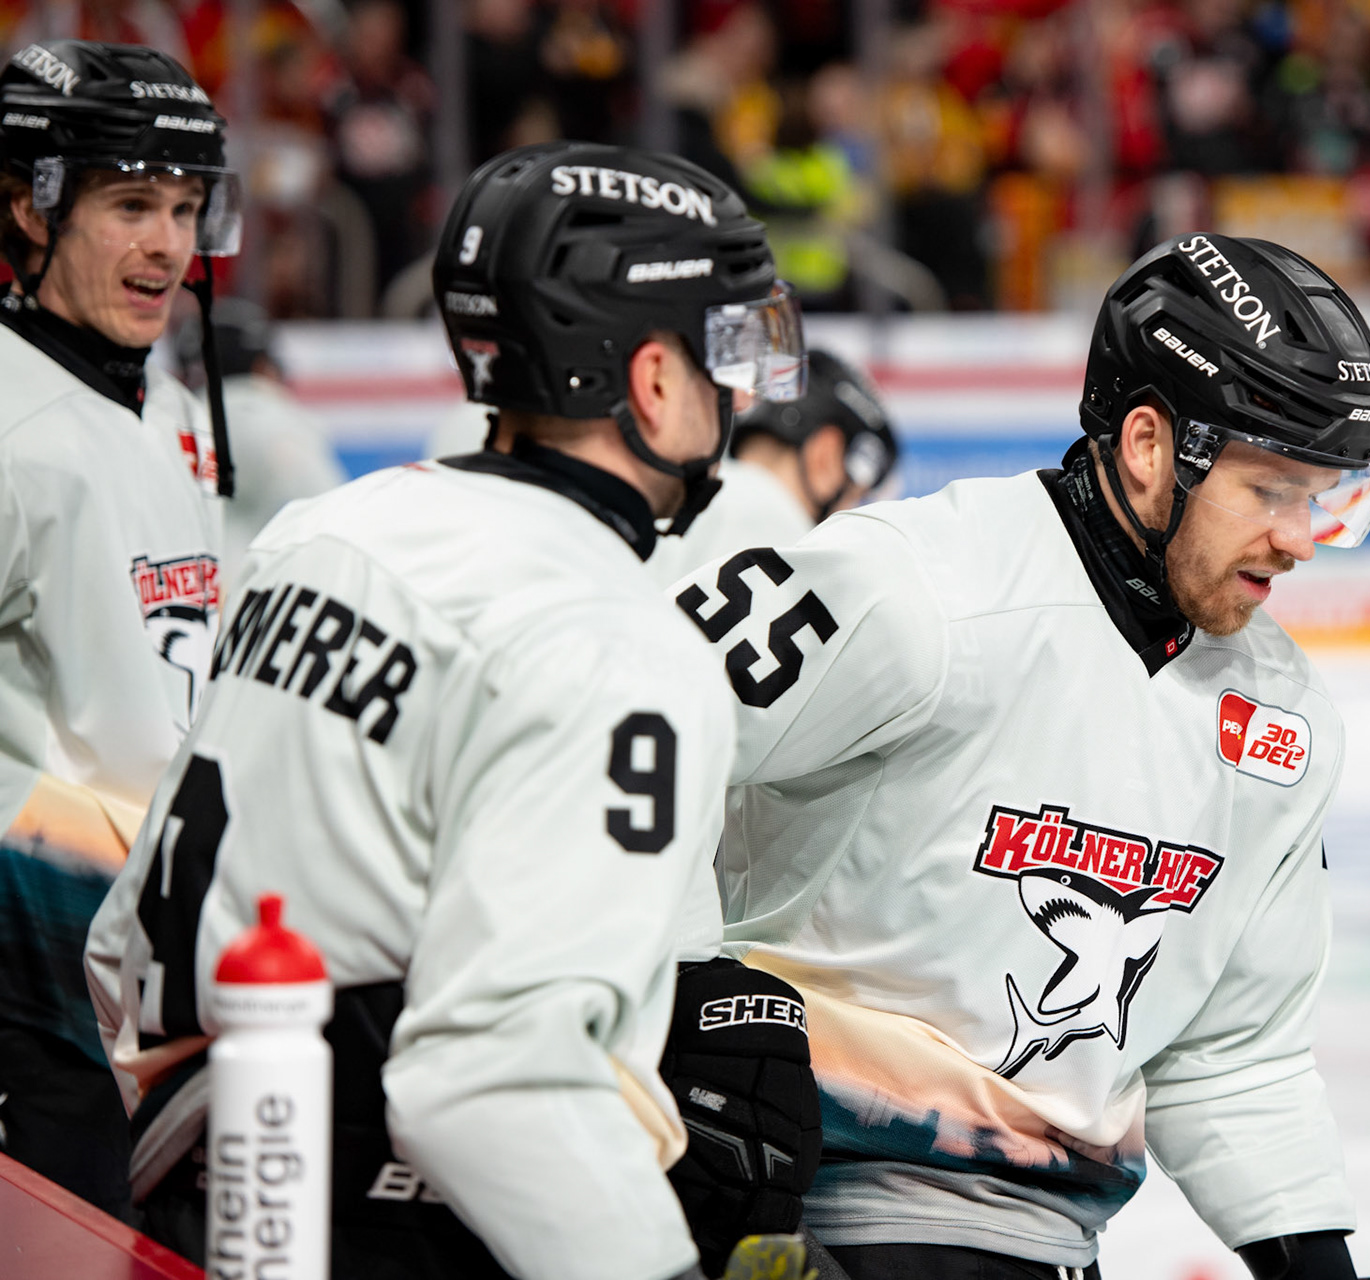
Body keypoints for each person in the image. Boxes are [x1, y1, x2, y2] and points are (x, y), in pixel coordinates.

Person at [86, 141, 817, 1279]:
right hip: (389, 1213)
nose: (731, 394)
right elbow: (488, 1076)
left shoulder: (321, 535)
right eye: (720, 352)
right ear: (653, 379)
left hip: (194, 1180)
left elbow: (124, 937)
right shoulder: (612, 639)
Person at [668, 232, 1370, 1279]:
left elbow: (1233, 1051)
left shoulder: (1282, 717)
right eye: (1272, 490)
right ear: (1151, 445)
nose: (1302, 538)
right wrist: (688, 998)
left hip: (1050, 1246)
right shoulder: (917, 591)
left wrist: (1310, 1261)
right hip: (805, 1217)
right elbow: (614, 740)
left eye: (1326, 496)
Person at [0, 39, 235, 1217]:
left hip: (154, 979)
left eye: (186, 207)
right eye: (131, 203)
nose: (167, 245)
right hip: (31, 989)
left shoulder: (174, 408)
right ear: (29, 207)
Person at [648, 347, 896, 580]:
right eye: (854, 497)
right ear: (825, 458)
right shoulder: (799, 554)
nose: (847, 511)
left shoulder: (665, 488)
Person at [174, 296, 348, 564]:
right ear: (261, 365)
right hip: (269, 591)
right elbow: (334, 524)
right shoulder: (274, 422)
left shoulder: (168, 426)